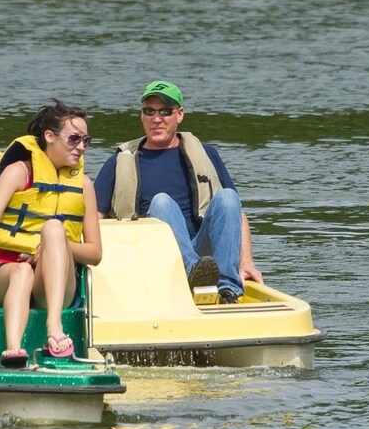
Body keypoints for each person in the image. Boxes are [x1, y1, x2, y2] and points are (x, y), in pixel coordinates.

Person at [0, 101, 102, 367]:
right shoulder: (18, 173)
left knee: (54, 229)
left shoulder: (84, 185)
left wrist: (58, 248)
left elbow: (95, 253)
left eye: (86, 140)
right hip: (7, 271)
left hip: (53, 284)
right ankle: (14, 350)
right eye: (74, 139)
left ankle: (54, 325)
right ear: (49, 137)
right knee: (22, 272)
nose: (81, 147)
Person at [93, 81, 262, 304]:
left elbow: (236, 214)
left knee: (228, 197)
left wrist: (246, 262)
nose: (156, 119)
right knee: (162, 202)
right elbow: (93, 219)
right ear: (141, 116)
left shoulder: (207, 154)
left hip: (203, 254)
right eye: (149, 111)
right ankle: (195, 273)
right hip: (150, 255)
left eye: (165, 112)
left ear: (179, 115)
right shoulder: (118, 161)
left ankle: (227, 287)